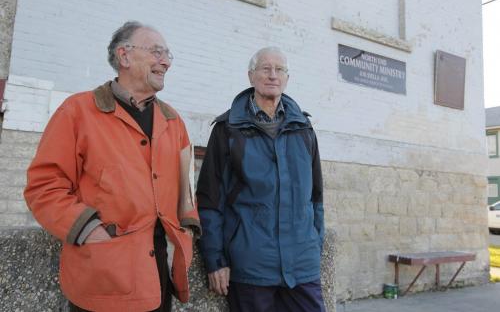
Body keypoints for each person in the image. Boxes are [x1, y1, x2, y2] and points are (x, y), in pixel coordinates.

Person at [24, 21, 200, 312]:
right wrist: (88, 230)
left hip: (160, 278)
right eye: (157, 52)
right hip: (102, 280)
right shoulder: (77, 111)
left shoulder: (174, 121)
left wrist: (188, 233)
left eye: (168, 54)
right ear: (125, 56)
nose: (166, 61)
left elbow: (187, 191)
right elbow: (44, 188)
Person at [196, 47, 325, 311]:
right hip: (252, 265)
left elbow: (316, 198)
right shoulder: (228, 129)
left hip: (302, 267)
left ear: (287, 78)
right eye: (265, 68)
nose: (273, 75)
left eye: (280, 70)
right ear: (251, 76)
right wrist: (215, 259)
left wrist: (314, 245)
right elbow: (210, 201)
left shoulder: (304, 128)